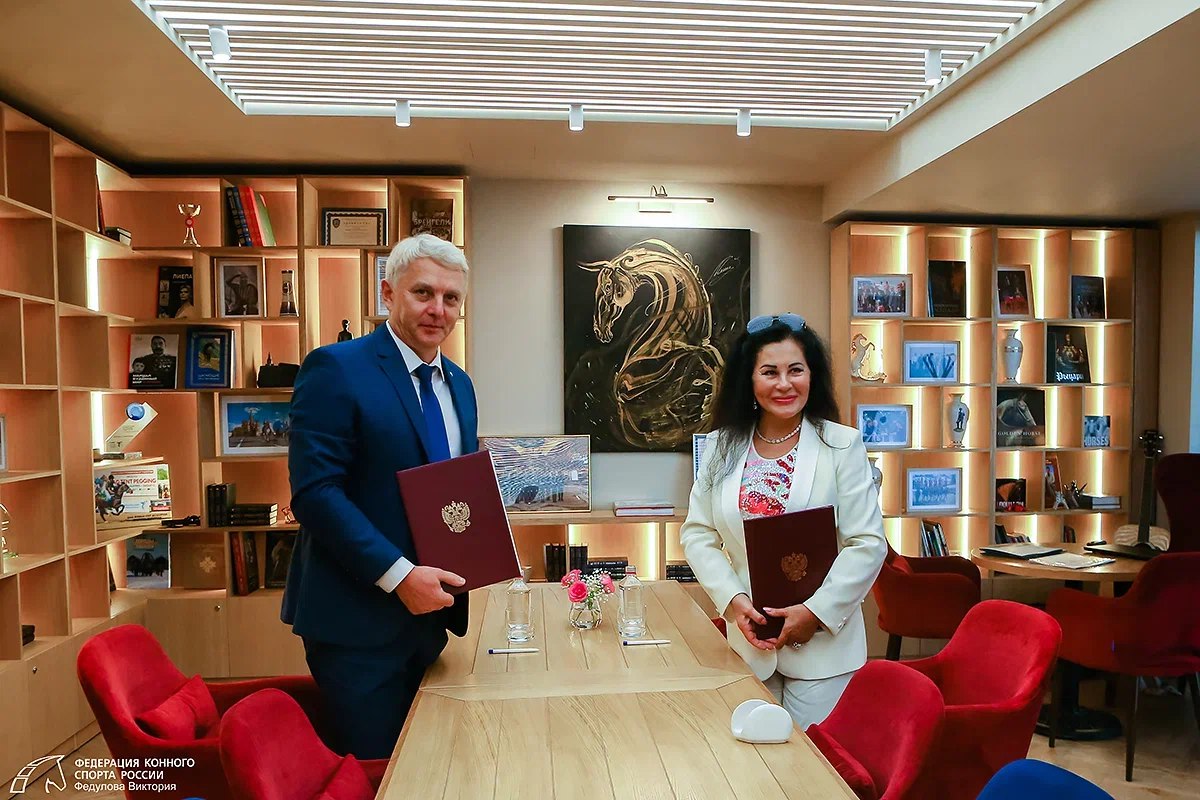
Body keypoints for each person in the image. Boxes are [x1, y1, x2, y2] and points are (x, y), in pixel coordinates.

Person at [283, 233, 476, 760]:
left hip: (431, 618)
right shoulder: (335, 368)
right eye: (423, 293)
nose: (438, 310)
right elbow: (315, 494)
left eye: (451, 298)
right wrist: (399, 575)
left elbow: (451, 491)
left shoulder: (459, 384)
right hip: (357, 625)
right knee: (378, 775)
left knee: (431, 765)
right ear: (388, 294)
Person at [680, 313, 886, 729]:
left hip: (824, 649)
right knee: (751, 757)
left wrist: (815, 612)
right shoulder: (721, 447)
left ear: (812, 375)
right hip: (749, 644)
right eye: (769, 372)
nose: (784, 384)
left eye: (796, 370)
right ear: (749, 380)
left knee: (812, 762)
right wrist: (732, 601)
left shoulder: (842, 445)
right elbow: (698, 533)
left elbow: (867, 543)